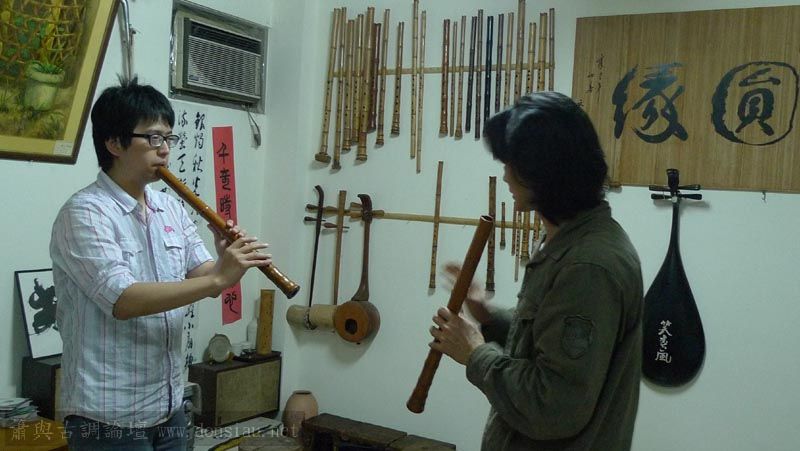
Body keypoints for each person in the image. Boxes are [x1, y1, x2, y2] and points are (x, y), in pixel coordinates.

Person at [50, 77, 271, 450]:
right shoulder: (85, 213)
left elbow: (201, 273)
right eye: (153, 138)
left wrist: (225, 260)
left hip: (168, 404)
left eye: (169, 138)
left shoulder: (168, 206)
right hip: (109, 413)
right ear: (114, 143)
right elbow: (123, 300)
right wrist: (219, 279)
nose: (165, 150)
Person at [430, 91, 643, 450]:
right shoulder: (569, 241)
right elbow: (548, 341)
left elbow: (553, 403)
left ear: (545, 176)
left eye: (512, 165)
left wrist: (475, 353)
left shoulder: (587, 266)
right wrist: (487, 316)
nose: (505, 176)